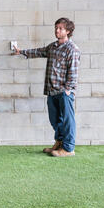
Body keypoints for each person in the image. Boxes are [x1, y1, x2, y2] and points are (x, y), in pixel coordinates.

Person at [12, 18, 81, 157]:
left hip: (64, 91)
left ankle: (68, 149)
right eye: (56, 27)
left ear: (68, 31)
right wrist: (21, 52)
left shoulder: (72, 49)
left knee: (68, 120)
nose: (57, 30)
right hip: (51, 90)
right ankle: (59, 142)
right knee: (55, 119)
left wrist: (67, 89)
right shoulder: (53, 47)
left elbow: (73, 72)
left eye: (61, 28)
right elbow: (39, 51)